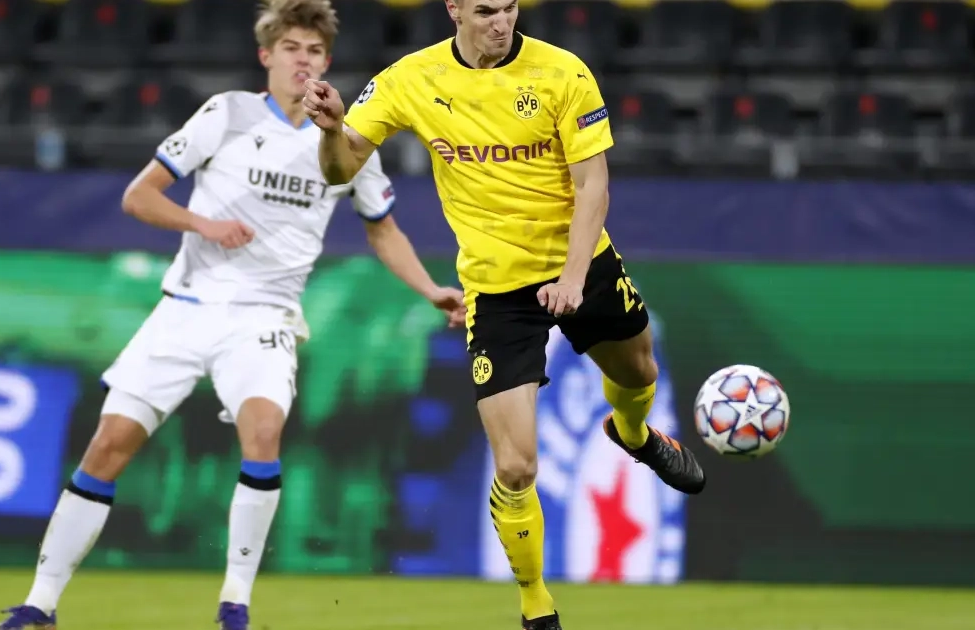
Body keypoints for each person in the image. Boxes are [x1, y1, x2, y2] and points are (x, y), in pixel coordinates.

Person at [0, 1, 465, 629]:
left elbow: (384, 230)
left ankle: (234, 605)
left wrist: (430, 289)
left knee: (263, 436)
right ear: (266, 55)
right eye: (291, 48)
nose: (303, 60)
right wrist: (203, 223)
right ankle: (40, 604)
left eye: (315, 51)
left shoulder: (350, 143)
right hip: (186, 308)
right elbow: (139, 196)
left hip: (265, 319)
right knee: (108, 446)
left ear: (327, 61)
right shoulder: (227, 113)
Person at [303, 1, 707, 628]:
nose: (502, 21)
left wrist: (573, 277)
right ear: (454, 9)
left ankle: (632, 433)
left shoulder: (563, 72)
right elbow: (338, 171)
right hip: (495, 292)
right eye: (487, 9)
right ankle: (535, 602)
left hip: (580, 261)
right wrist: (332, 130)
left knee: (639, 373)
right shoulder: (411, 78)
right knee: (516, 466)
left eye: (511, 7)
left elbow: (593, 185)